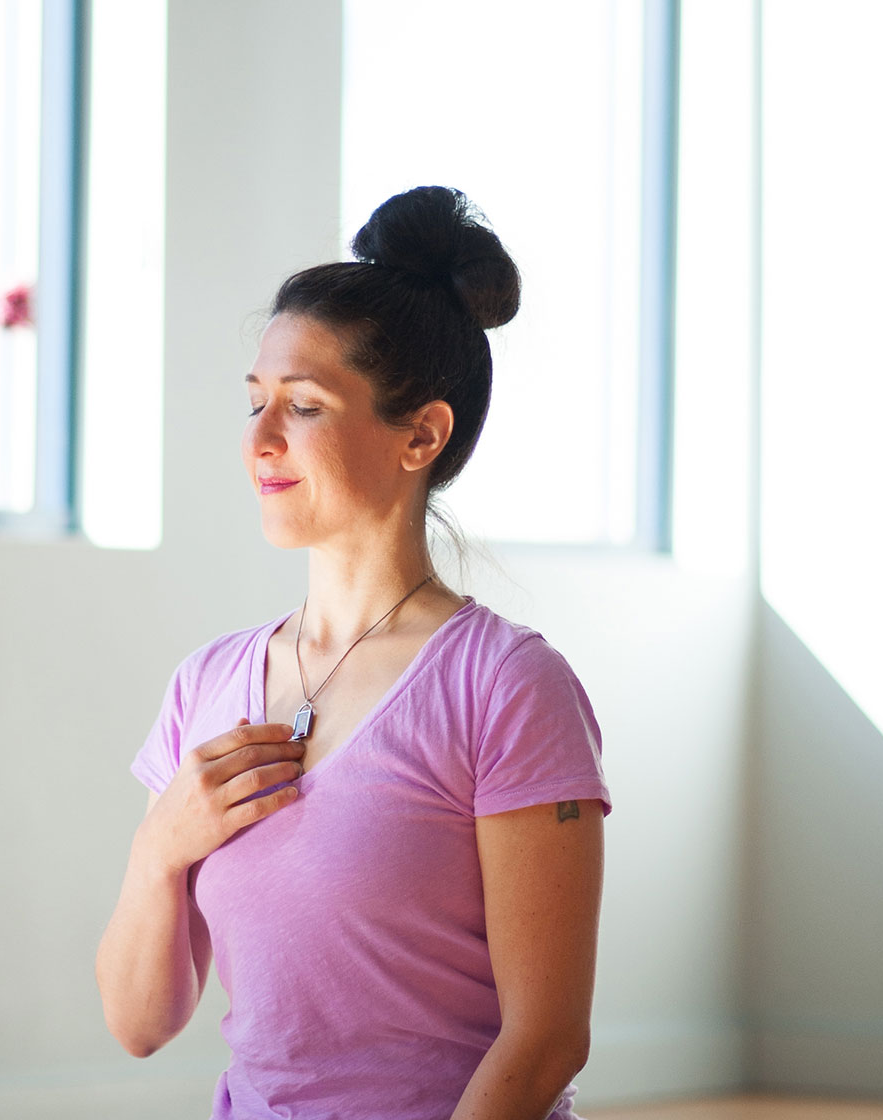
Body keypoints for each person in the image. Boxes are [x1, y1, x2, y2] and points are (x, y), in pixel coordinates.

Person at [95, 185, 611, 1120]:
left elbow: (545, 1044)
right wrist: (157, 849)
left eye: (304, 406)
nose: (259, 440)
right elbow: (139, 1023)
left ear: (422, 433)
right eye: (255, 402)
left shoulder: (508, 687)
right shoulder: (205, 684)